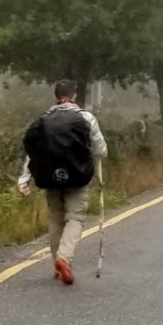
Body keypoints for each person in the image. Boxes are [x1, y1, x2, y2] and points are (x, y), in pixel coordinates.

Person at [18, 80, 109, 286]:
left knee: (56, 219)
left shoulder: (44, 120)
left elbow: (33, 154)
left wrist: (24, 179)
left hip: (49, 178)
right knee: (75, 218)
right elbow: (101, 150)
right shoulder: (85, 117)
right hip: (78, 177)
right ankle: (64, 259)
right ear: (74, 95)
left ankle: (57, 266)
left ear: (55, 96)